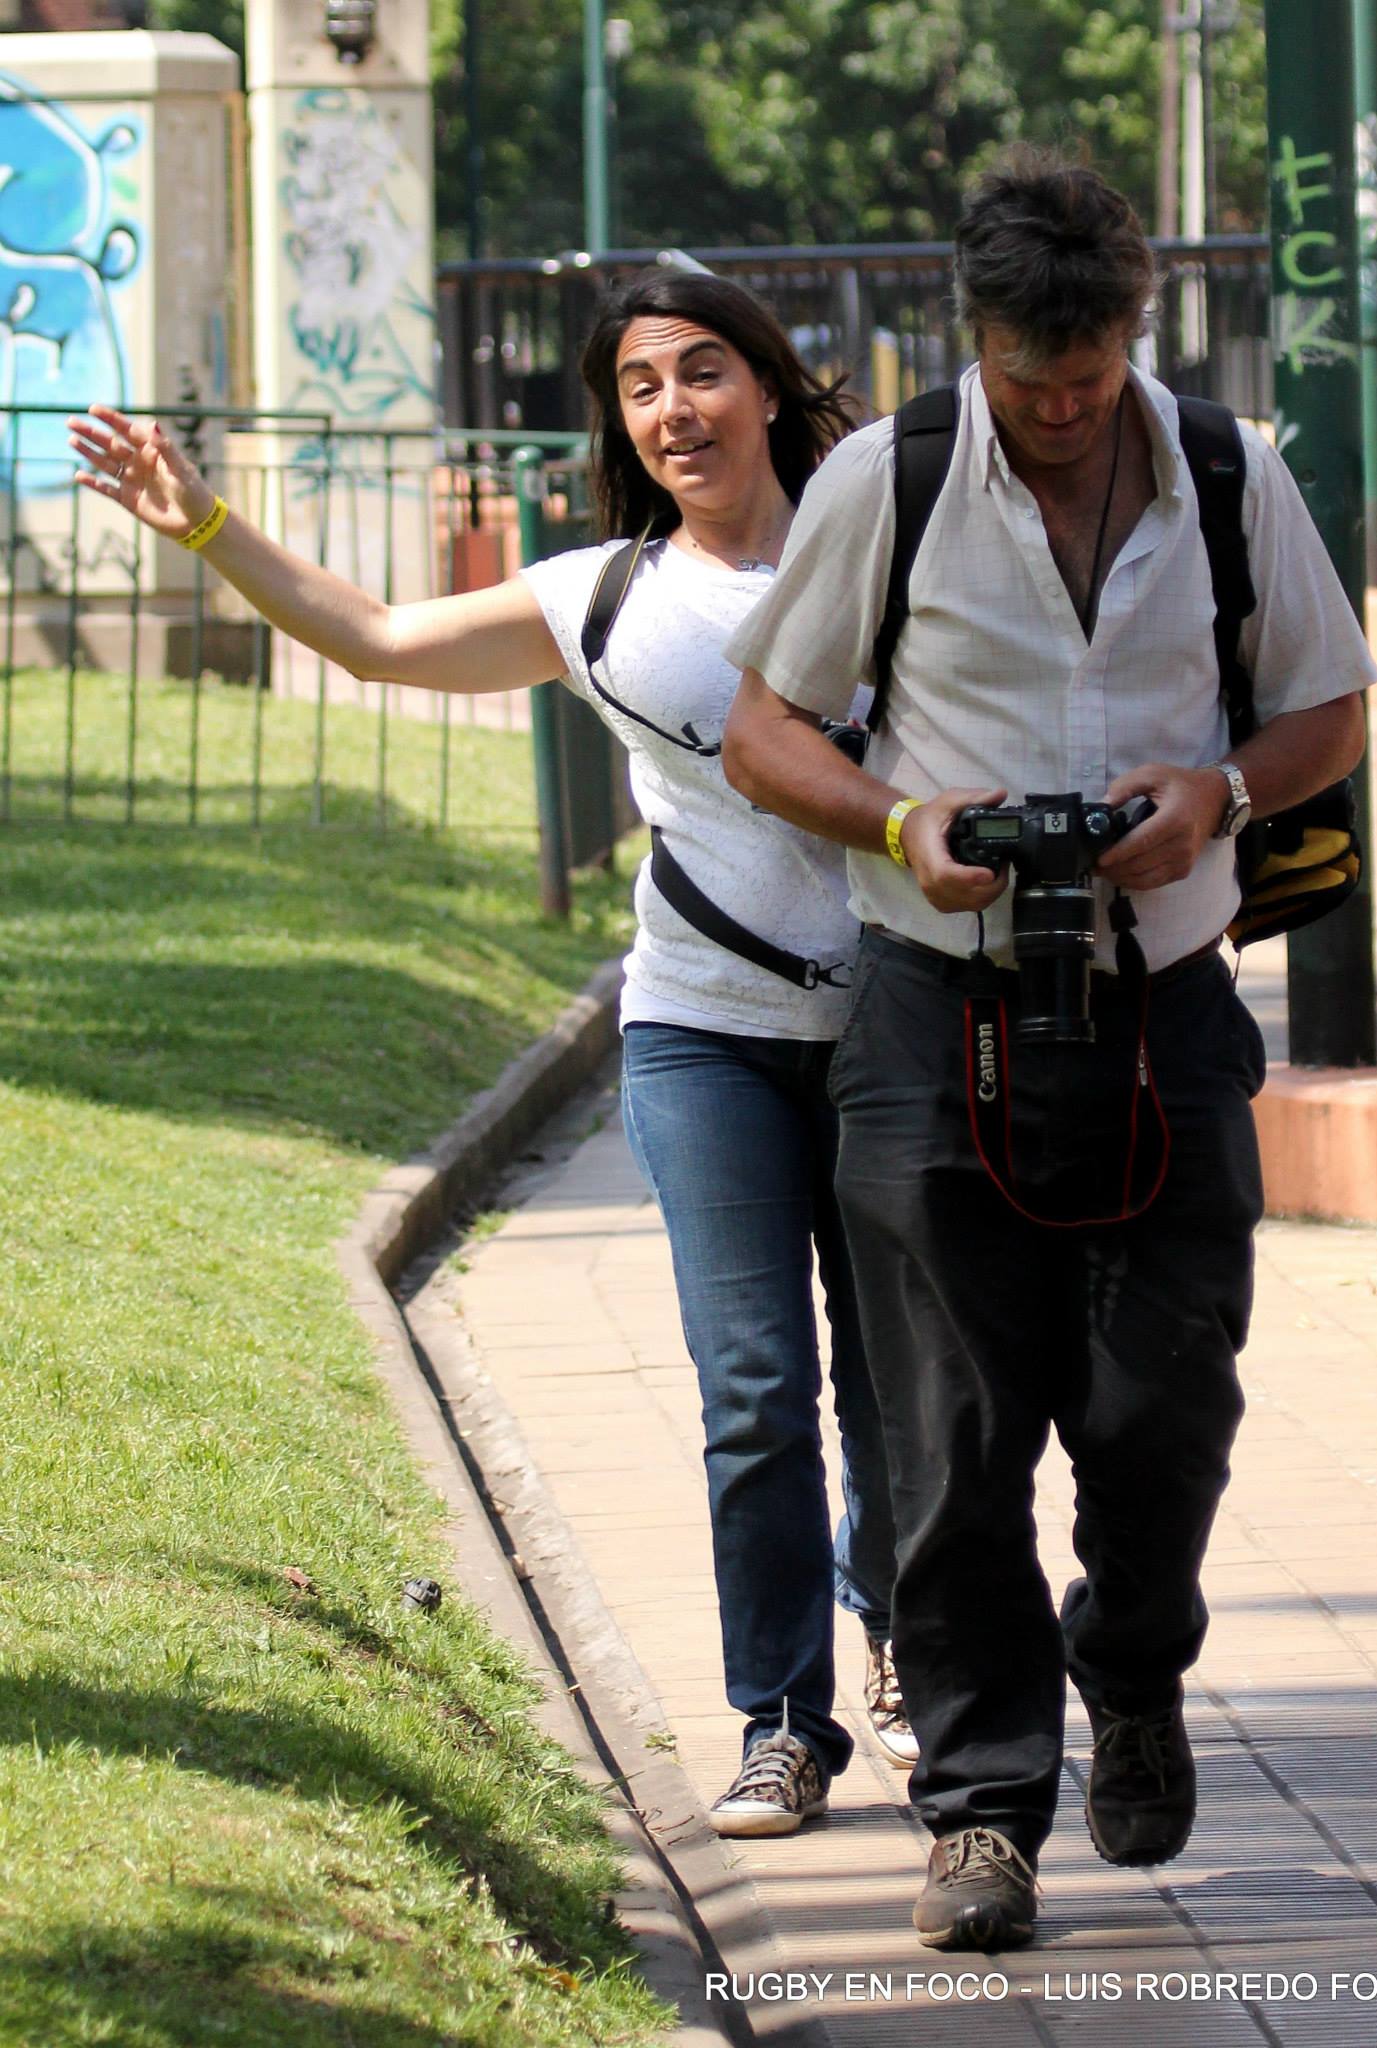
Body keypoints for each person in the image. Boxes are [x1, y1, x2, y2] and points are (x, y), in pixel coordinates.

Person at [68, 268, 912, 1837]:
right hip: (702, 1035)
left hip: (894, 1032)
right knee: (751, 1391)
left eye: (703, 371)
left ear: (772, 385)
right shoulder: (600, 599)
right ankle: (779, 1723)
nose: (674, 409)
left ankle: (910, 1655)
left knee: (898, 1383)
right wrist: (203, 526)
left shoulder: (894, 560)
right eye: (641, 387)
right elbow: (381, 638)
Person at [722, 146, 1377, 1947]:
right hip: (935, 1004)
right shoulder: (892, 477)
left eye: (1088, 380)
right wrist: (894, 826)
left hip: (1165, 995)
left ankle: (1134, 1669)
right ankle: (982, 1808)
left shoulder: (1229, 471)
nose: (1063, 413)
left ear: (1136, 333)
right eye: (1029, 382)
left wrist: (1221, 790)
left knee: (1166, 1406)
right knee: (945, 1435)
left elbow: (1326, 704)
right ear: (975, 340)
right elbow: (760, 732)